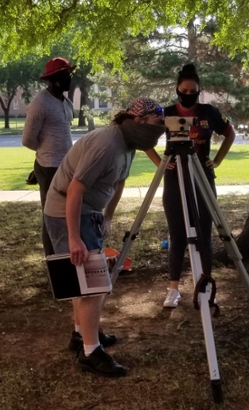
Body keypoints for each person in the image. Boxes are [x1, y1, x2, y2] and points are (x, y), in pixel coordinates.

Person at [44, 97, 166, 376]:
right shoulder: (106, 145)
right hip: (67, 212)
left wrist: (108, 215)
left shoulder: (129, 144)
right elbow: (75, 189)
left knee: (86, 282)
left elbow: (119, 182)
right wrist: (74, 238)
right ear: (138, 122)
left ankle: (80, 334)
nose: (160, 130)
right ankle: (90, 352)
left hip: (87, 212)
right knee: (94, 285)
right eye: (157, 124)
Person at [145, 63, 236, 308]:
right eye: (184, 90)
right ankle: (173, 288)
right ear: (177, 89)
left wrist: (216, 161)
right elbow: (144, 139)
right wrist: (160, 164)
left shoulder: (209, 112)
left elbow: (230, 134)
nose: (188, 94)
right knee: (177, 235)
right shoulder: (167, 113)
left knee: (204, 234)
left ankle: (205, 283)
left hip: (202, 179)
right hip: (175, 180)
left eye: (193, 90)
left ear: (198, 90)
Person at [23, 57, 76, 256]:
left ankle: (68, 257)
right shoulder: (40, 104)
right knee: (51, 216)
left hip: (67, 167)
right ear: (53, 79)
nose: (69, 79)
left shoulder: (66, 101)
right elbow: (28, 140)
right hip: (50, 168)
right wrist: (45, 159)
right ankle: (54, 263)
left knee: (68, 214)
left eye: (70, 75)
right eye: (65, 76)